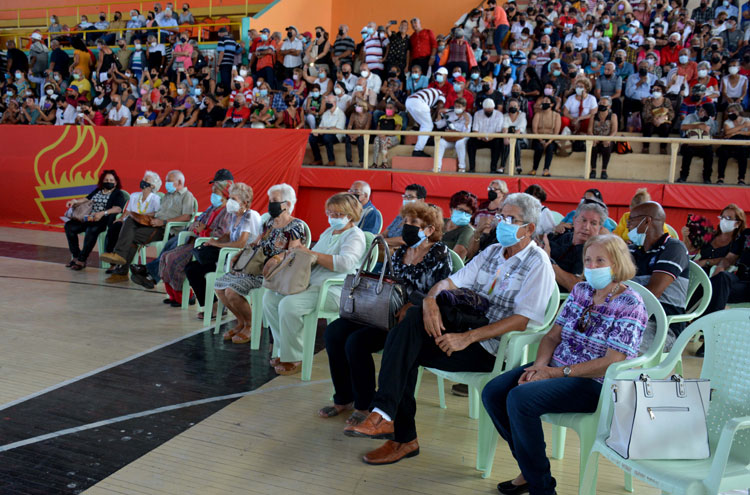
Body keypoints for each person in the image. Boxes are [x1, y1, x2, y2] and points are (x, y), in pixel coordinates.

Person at [344, 193, 555, 466]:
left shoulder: (537, 264)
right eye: (501, 215)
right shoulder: (492, 252)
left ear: (529, 228)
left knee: (404, 343)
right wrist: (430, 301)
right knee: (406, 331)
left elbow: (522, 320)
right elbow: (450, 282)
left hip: (489, 347)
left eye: (510, 218)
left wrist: (466, 338)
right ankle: (388, 420)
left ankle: (395, 428)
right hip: (460, 329)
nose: (501, 222)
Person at [482, 234, 647, 495]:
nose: (592, 266)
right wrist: (538, 367)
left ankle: (541, 487)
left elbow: (612, 361)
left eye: (600, 260)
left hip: (594, 383)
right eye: (588, 260)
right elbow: (552, 336)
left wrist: (553, 373)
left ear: (616, 263)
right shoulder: (582, 291)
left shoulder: (630, 304)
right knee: (493, 392)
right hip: (555, 369)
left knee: (520, 399)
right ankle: (531, 469)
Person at [319, 202, 452, 427]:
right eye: (405, 222)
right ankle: (343, 397)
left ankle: (365, 404)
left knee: (356, 343)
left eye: (413, 224)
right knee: (334, 332)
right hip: (384, 311)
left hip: (410, 320)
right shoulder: (401, 251)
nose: (406, 227)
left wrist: (413, 303)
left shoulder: (439, 254)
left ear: (429, 229)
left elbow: (442, 292)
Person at [263, 193, 366, 376]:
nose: (331, 217)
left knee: (289, 305)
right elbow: (311, 256)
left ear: (349, 215)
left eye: (336, 214)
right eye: (330, 213)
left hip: (335, 290)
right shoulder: (329, 232)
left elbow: (346, 264)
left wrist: (312, 254)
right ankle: (282, 350)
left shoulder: (355, 236)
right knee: (270, 298)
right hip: (312, 284)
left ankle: (295, 356)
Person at [216, 184, 307, 344]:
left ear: (287, 204)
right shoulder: (269, 222)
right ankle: (241, 322)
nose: (271, 204)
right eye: (270, 200)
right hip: (255, 265)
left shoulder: (296, 225)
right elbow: (257, 242)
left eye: (275, 200)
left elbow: (295, 251)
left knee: (232, 291)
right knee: (220, 287)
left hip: (274, 272)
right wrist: (239, 253)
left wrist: (276, 259)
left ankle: (251, 325)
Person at [100, 170, 196, 282]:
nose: (166, 184)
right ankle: (119, 260)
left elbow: (186, 217)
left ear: (179, 182)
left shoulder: (187, 196)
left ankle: (121, 267)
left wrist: (164, 221)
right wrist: (148, 218)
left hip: (167, 230)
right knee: (130, 220)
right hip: (155, 224)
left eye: (169, 181)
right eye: (166, 181)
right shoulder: (167, 196)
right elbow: (158, 212)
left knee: (131, 236)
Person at [185, 183, 262, 319]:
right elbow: (228, 235)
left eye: (234, 199)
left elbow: (241, 243)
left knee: (199, 266)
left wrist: (219, 245)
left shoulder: (249, 216)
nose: (230, 201)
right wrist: (215, 241)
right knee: (191, 268)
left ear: (244, 202)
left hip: (241, 260)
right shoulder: (234, 215)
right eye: (230, 198)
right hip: (226, 255)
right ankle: (214, 308)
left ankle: (229, 313)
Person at [627, 201, 689, 351]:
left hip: (662, 327)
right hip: (631, 318)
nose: (627, 226)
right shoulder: (634, 250)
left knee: (618, 345)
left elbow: (653, 293)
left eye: (631, 221)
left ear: (647, 221)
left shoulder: (674, 248)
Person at [64, 170, 128, 270]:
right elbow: (86, 199)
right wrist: (75, 201)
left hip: (102, 220)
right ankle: (76, 256)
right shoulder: (98, 190)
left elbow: (118, 208)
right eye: (106, 179)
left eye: (111, 180)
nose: (109, 181)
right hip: (88, 218)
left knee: (91, 229)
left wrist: (102, 213)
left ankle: (82, 259)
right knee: (69, 226)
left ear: (116, 182)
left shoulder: (118, 193)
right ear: (102, 181)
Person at [540, 201, 608, 292]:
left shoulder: (594, 253)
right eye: (583, 220)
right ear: (575, 221)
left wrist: (548, 260)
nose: (586, 227)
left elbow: (576, 286)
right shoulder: (564, 235)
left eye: (593, 223)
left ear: (600, 228)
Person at [677, 102, 719, 183]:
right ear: (701, 110)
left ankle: (707, 178)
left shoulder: (710, 120)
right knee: (687, 154)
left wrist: (710, 127)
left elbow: (714, 133)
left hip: (705, 144)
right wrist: (698, 126)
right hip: (690, 144)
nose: (707, 116)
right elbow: (683, 127)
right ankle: (683, 177)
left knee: (709, 154)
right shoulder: (690, 116)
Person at [467, 98, 504, 173]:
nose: (488, 112)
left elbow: (498, 132)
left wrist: (490, 138)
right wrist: (481, 137)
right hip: (480, 138)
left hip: (493, 139)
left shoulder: (499, 115)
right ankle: (472, 168)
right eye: (486, 110)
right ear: (483, 108)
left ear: (493, 108)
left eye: (490, 110)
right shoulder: (477, 114)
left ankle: (493, 169)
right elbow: (475, 130)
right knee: (470, 142)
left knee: (498, 142)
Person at [406, 88, 445, 158]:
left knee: (424, 125)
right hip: (418, 102)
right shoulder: (442, 95)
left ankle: (420, 144)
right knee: (428, 126)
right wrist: (436, 118)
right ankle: (418, 150)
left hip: (408, 101)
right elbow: (440, 107)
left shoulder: (431, 94)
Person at [716, 103, 750, 184]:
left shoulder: (747, 120)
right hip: (730, 146)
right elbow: (727, 132)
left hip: (743, 145)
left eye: (733, 111)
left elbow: (749, 133)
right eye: (729, 111)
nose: (731, 113)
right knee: (723, 154)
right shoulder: (727, 122)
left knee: (743, 154)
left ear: (738, 111)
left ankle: (741, 179)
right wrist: (742, 127)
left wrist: (735, 133)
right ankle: (721, 178)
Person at [436, 97, 471, 172]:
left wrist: (467, 121)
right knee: (441, 142)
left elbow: (466, 132)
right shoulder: (450, 114)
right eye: (455, 106)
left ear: (464, 107)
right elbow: (439, 125)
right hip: (451, 137)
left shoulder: (468, 116)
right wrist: (439, 114)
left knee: (459, 143)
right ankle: (437, 166)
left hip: (462, 137)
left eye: (459, 107)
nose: (457, 108)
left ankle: (462, 167)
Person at [309, 96, 345, 166]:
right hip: (324, 134)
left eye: (329, 102)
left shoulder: (341, 114)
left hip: (336, 136)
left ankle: (331, 160)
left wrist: (326, 129)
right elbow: (321, 126)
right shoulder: (326, 113)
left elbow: (338, 129)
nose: (327, 103)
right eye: (327, 102)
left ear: (334, 103)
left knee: (327, 137)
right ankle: (318, 159)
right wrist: (317, 131)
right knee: (312, 137)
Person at [588, 96, 618, 180]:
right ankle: (593, 170)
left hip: (607, 139)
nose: (601, 105)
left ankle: (604, 170)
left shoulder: (613, 116)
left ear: (609, 106)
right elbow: (589, 130)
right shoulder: (593, 116)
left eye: (604, 103)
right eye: (600, 103)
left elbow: (614, 130)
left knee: (606, 146)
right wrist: (593, 138)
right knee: (592, 146)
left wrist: (608, 139)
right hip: (596, 139)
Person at [531, 95, 562, 176]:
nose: (544, 103)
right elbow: (534, 130)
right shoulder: (538, 114)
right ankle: (534, 169)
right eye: (543, 101)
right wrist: (541, 140)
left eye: (546, 102)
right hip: (538, 138)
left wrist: (548, 142)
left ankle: (546, 170)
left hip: (551, 138)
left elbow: (556, 132)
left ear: (552, 104)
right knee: (539, 148)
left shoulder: (556, 115)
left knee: (550, 147)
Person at [442, 190, 477, 261]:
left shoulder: (468, 231)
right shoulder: (440, 222)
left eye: (468, 212)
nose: (463, 214)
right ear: (451, 209)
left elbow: (455, 260)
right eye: (461, 210)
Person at [641, 82, 674, 155]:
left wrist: (663, 119)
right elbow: (646, 114)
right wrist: (654, 119)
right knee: (648, 127)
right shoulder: (649, 101)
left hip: (663, 122)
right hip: (651, 122)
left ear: (662, 91)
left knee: (666, 127)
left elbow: (671, 113)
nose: (655, 91)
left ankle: (663, 148)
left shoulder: (666, 101)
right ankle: (645, 147)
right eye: (654, 90)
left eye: (658, 90)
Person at [501, 98, 526, 175]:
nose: (513, 107)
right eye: (511, 106)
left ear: (518, 107)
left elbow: (519, 131)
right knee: (508, 144)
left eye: (515, 106)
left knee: (515, 142)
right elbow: (504, 128)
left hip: (521, 140)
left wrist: (511, 140)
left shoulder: (522, 115)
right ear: (508, 107)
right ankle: (502, 167)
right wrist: (505, 138)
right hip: (508, 139)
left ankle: (518, 165)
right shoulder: (504, 116)